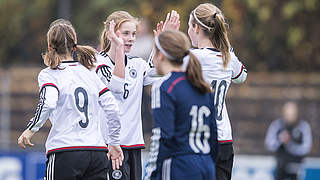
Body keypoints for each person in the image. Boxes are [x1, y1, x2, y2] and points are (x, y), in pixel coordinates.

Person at [17, 19, 123, 180]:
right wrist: (114, 142)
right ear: (75, 46)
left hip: (65, 151)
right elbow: (113, 108)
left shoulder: (49, 74)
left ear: (50, 47)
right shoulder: (90, 74)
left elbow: (48, 102)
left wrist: (30, 129)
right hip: (97, 152)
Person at [95, 11, 179, 180]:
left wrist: (165, 41)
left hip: (134, 144)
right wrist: (118, 49)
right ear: (111, 33)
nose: (131, 38)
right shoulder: (98, 63)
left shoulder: (137, 64)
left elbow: (160, 72)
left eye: (133, 34)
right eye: (126, 33)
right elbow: (117, 87)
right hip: (109, 145)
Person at [180, 3, 248, 180]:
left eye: (189, 26)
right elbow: (242, 76)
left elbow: (157, 71)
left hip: (199, 138)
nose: (188, 31)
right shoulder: (228, 57)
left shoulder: (192, 57)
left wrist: (164, 39)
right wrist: (228, 50)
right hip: (224, 138)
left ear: (196, 28)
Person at [144, 30, 218, 180]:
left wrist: (151, 172)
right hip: (206, 165)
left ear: (161, 55)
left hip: (179, 165)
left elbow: (163, 136)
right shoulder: (202, 86)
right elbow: (214, 136)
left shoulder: (164, 86)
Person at [265, 101, 312, 180]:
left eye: (292, 114)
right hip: (280, 167)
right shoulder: (277, 125)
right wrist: (280, 140)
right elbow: (269, 144)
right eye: (288, 114)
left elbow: (306, 148)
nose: (290, 116)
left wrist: (290, 145)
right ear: (284, 113)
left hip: (296, 167)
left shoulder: (303, 126)